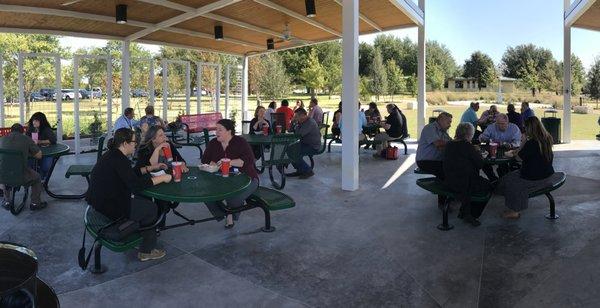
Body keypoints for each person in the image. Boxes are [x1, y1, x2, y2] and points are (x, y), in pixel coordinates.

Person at [86, 128, 172, 261]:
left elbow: (130, 174)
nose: (136, 144)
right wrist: (162, 178)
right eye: (133, 142)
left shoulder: (113, 155)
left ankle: (140, 233)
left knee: (142, 202)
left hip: (99, 202)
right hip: (109, 206)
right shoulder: (119, 160)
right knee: (151, 208)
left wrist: (151, 168)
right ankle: (146, 251)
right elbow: (136, 185)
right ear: (125, 144)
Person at [496, 116, 558, 219]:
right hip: (546, 173)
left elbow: (518, 158)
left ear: (530, 128)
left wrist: (523, 142)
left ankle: (514, 211)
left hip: (534, 177)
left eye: (525, 128)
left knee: (509, 182)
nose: (524, 130)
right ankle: (513, 206)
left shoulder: (531, 143)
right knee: (508, 178)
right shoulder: (547, 138)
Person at [201, 119, 259, 228]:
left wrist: (230, 162)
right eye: (216, 129)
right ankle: (223, 213)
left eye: (220, 130)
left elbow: (249, 160)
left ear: (229, 131)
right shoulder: (213, 143)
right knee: (207, 195)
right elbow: (204, 160)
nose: (216, 132)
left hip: (247, 178)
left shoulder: (240, 142)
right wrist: (211, 163)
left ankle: (230, 216)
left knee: (233, 198)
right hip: (221, 179)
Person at [443, 123, 492, 227]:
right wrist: (477, 152)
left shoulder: (448, 144)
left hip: (449, 180)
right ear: (469, 135)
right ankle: (471, 214)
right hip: (464, 183)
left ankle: (464, 211)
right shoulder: (467, 146)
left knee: (474, 182)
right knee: (489, 186)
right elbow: (480, 164)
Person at [0, 124, 47, 210]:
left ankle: (7, 201)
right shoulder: (26, 139)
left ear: (11, 130)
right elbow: (39, 156)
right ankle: (35, 203)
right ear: (23, 132)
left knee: (5, 172)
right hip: (20, 174)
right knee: (37, 178)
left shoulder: (2, 139)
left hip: (2, 175)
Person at [479, 113, 522, 180]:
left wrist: (511, 145)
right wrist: (483, 139)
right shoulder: (491, 127)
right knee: (483, 163)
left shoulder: (514, 128)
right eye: (498, 123)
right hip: (492, 150)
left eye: (503, 124)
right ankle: (493, 179)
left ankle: (504, 180)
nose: (500, 126)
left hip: (508, 151)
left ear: (508, 122)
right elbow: (482, 137)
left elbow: (518, 142)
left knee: (504, 166)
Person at [287, 108, 321, 179]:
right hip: (304, 144)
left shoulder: (310, 123)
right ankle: (300, 170)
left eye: (296, 116)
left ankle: (308, 171)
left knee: (294, 152)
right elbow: (290, 130)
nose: (295, 118)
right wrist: (292, 122)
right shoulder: (301, 122)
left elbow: (298, 135)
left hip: (313, 146)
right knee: (289, 149)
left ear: (303, 115)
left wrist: (296, 124)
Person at [416, 112, 452, 178]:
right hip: (425, 162)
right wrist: (453, 143)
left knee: (455, 165)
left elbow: (447, 144)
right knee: (450, 169)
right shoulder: (430, 128)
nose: (450, 125)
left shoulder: (443, 132)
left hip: (435, 160)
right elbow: (438, 143)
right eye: (448, 122)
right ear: (441, 120)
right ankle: (445, 186)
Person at [26, 112, 56, 181]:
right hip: (33, 152)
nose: (34, 122)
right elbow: (26, 139)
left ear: (41, 121)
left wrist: (40, 141)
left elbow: (53, 140)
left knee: (46, 166)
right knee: (30, 164)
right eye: (33, 120)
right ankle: (36, 179)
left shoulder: (46, 129)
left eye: (36, 120)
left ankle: (43, 178)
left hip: (47, 152)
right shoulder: (30, 129)